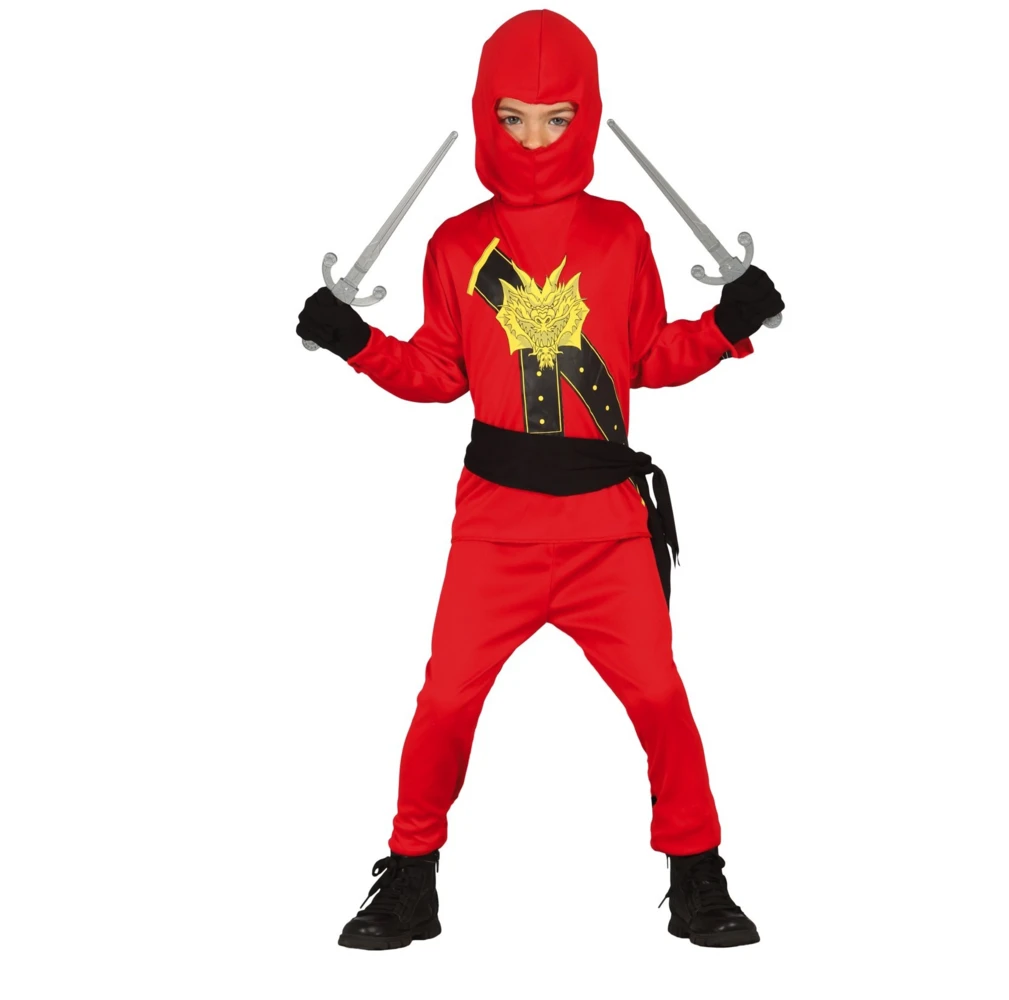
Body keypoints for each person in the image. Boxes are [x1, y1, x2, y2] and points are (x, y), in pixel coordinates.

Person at [296, 9, 784, 950]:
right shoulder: (455, 244)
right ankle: (409, 879)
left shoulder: (619, 233)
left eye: (556, 118)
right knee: (445, 701)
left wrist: (726, 328)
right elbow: (439, 374)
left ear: (586, 115)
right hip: (496, 528)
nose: (532, 141)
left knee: (659, 696)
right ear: (485, 113)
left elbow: (648, 357)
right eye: (512, 118)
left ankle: (697, 875)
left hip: (607, 527)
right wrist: (358, 342)